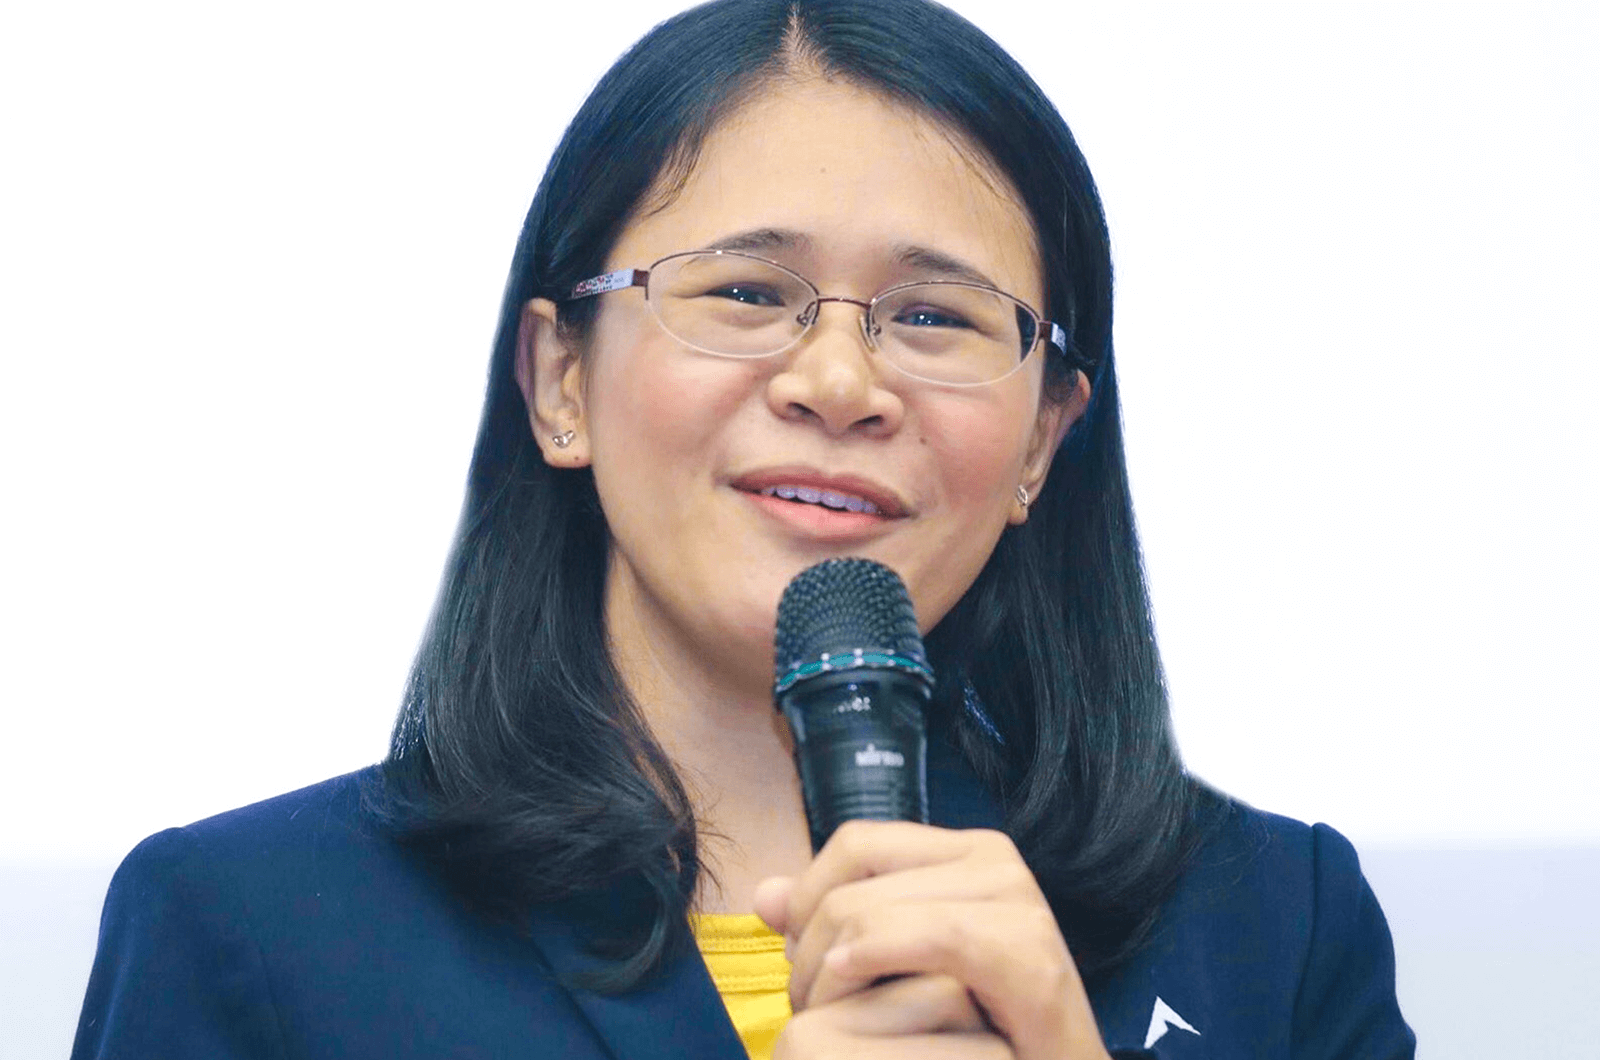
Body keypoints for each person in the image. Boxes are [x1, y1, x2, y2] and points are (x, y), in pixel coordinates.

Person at [72, 1, 1414, 1057]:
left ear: (1044, 440)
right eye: (747, 292)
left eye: (935, 317)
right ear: (560, 384)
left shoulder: (1270, 927)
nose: (837, 383)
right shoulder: (252, 931)